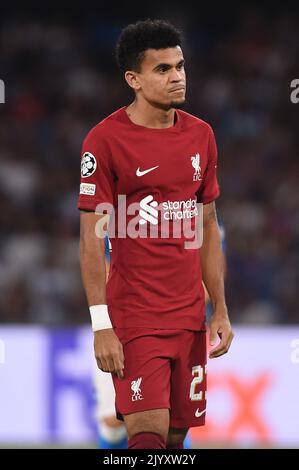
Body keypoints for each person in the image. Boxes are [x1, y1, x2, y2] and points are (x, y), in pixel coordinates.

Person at [79, 19, 234, 450]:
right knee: (145, 434)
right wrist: (101, 325)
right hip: (136, 317)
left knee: (174, 437)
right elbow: (92, 239)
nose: (177, 76)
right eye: (162, 69)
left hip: (189, 318)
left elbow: (207, 226)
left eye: (180, 66)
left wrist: (219, 308)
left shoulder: (201, 135)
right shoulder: (105, 141)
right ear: (133, 79)